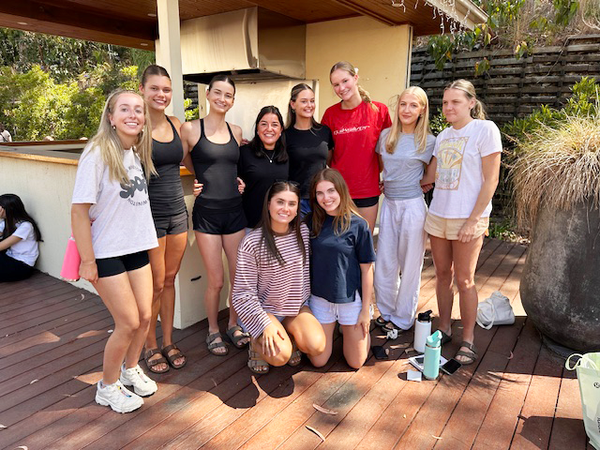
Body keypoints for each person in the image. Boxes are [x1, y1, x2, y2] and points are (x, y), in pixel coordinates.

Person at [71, 89, 159, 413]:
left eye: (138, 109)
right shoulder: (97, 153)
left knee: (146, 316)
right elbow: (79, 211)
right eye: (125, 109)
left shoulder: (133, 152)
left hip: (135, 246)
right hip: (106, 251)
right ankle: (107, 387)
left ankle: (130, 369)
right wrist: (87, 261)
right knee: (128, 322)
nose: (133, 115)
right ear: (111, 117)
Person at [420, 79, 502, 365]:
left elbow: (491, 180)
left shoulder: (485, 130)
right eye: (445, 102)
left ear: (471, 102)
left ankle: (468, 339)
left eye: (455, 101)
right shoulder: (443, 136)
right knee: (443, 275)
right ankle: (444, 328)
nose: (448, 107)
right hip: (438, 216)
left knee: (465, 280)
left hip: (468, 218)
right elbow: (431, 176)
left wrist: (473, 220)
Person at [180, 75, 250, 356]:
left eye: (228, 95)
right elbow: (185, 160)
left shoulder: (236, 131)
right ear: (208, 94)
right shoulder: (190, 129)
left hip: (235, 212)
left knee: (238, 278)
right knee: (217, 280)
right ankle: (212, 330)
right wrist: (199, 177)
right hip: (207, 214)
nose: (223, 99)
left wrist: (239, 181)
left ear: (233, 100)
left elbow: (232, 167)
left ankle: (233, 324)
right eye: (218, 92)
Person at [232, 181, 326, 374]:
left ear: (297, 208)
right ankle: (255, 342)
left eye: (292, 204)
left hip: (295, 308)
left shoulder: (302, 233)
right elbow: (242, 293)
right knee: (280, 356)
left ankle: (288, 334)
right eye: (280, 202)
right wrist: (264, 324)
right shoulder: (252, 242)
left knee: (317, 345)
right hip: (264, 310)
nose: (286, 209)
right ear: (269, 205)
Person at [374, 87, 436, 333]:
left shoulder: (429, 141)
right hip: (389, 205)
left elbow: (432, 175)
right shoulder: (386, 136)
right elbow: (383, 167)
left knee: (410, 264)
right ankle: (387, 311)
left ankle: (402, 318)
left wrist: (417, 184)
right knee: (385, 262)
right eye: (403, 104)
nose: (407, 110)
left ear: (422, 110)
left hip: (412, 207)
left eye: (413, 105)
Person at [139, 65, 188, 373]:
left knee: (170, 280)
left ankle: (168, 341)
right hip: (149, 216)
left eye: (166, 89)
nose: (161, 94)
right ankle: (150, 345)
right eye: (154, 88)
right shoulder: (136, 126)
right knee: (154, 285)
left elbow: (192, 159)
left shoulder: (176, 123)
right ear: (142, 89)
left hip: (178, 213)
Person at [307, 168, 376, 369]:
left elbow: (367, 270)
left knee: (356, 362)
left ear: (341, 191)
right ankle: (337, 331)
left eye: (331, 191)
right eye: (320, 193)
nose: (326, 198)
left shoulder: (358, 225)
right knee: (319, 361)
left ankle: (355, 334)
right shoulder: (310, 222)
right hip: (321, 298)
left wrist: (365, 311)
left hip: (350, 299)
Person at [322, 61, 392, 233]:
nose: (341, 88)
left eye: (345, 81)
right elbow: (328, 156)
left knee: (363, 243)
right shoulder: (330, 115)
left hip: (367, 191)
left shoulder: (379, 111)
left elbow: (387, 152)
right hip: (338, 192)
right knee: (339, 243)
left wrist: (382, 176)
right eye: (336, 85)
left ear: (355, 78)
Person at [285, 83, 334, 217]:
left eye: (312, 101)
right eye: (304, 101)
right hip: (297, 201)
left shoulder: (324, 132)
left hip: (322, 199)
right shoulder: (285, 136)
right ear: (293, 104)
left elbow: (329, 162)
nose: (309, 105)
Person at [238, 106, 289, 229]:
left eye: (274, 125)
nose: (269, 129)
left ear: (281, 129)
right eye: (264, 124)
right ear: (257, 128)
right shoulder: (243, 153)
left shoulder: (287, 155)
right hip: (251, 226)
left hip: (279, 225)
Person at [0, 194, 42, 282]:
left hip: (22, 266)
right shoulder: (7, 222)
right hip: (9, 258)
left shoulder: (25, 226)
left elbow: (1, 246)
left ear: (7, 209)